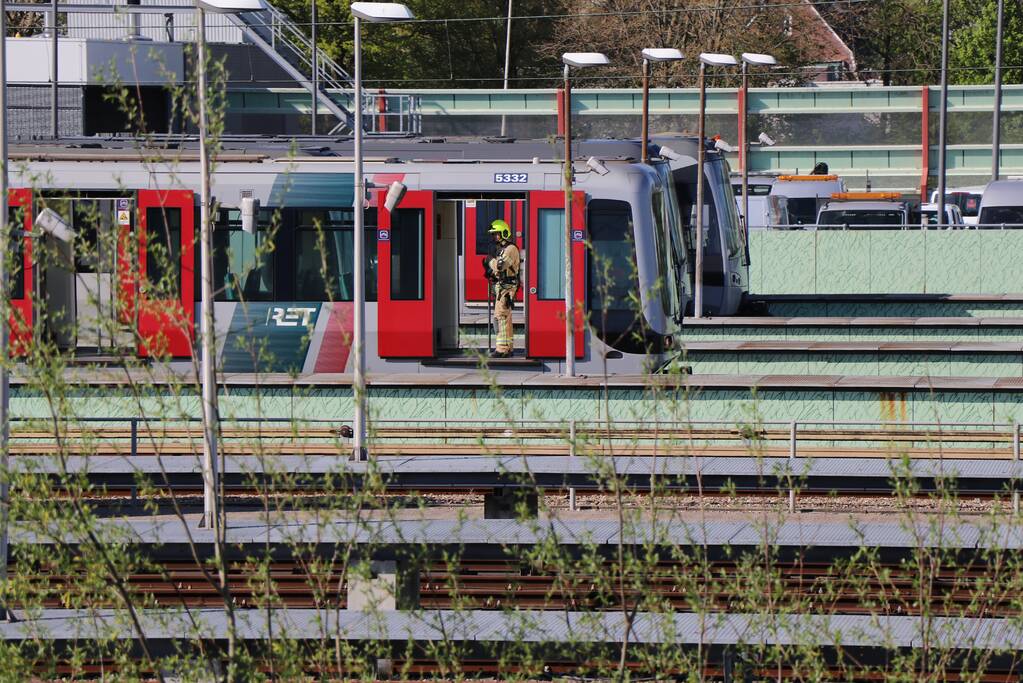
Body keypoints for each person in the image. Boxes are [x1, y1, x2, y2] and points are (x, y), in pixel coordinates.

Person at [483, 219, 520, 358]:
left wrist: (489, 261)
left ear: (504, 232)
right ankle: (508, 348)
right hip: (503, 286)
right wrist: (491, 273)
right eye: (493, 234)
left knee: (501, 317)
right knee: (505, 317)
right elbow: (499, 270)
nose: (495, 237)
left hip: (507, 287)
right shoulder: (503, 249)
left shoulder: (510, 249)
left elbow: (500, 265)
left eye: (497, 233)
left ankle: (502, 349)